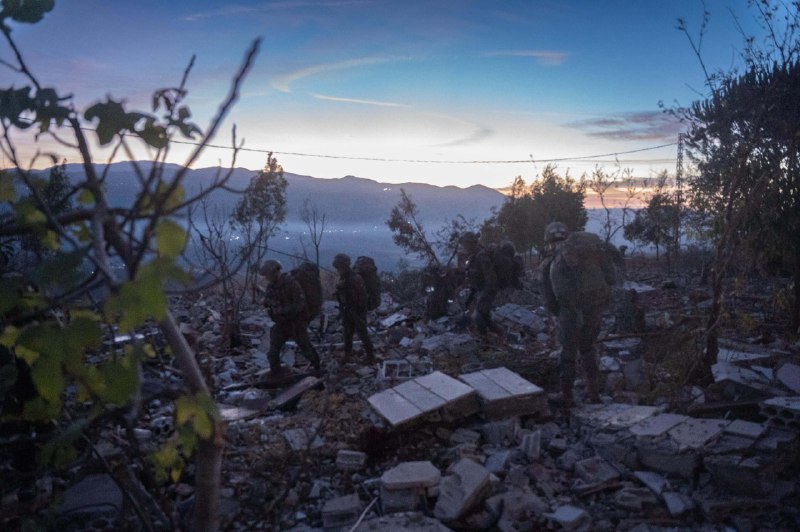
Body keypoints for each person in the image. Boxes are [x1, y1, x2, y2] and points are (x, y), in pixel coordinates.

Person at [541, 222, 618, 408]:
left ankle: (567, 396)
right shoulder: (591, 253)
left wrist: (562, 314)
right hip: (594, 308)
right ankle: (593, 392)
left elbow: (550, 301)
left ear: (548, 240)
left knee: (568, 354)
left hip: (569, 312)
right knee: (588, 348)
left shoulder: (549, 264)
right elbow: (612, 278)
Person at [260, 259, 321, 379]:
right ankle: (276, 374)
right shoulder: (270, 287)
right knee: (273, 352)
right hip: (281, 324)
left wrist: (282, 310)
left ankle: (318, 369)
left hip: (296, 323)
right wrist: (266, 304)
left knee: (306, 348)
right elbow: (268, 300)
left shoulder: (291, 284)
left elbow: (299, 304)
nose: (266, 278)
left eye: (268, 275)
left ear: (275, 272)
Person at [332, 253, 376, 363]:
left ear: (344, 266)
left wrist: (354, 308)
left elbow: (362, 297)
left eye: (339, 267)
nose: (338, 270)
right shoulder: (344, 278)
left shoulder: (355, 278)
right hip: (347, 310)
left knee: (362, 333)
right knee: (347, 333)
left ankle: (370, 355)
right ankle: (347, 355)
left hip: (357, 311)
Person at [459, 231, 501, 336]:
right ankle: (498, 336)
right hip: (480, 290)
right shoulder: (473, 257)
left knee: (479, 317)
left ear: (471, 243)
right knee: (485, 317)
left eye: (465, 244)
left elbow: (491, 279)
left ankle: (487, 339)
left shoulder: (482, 257)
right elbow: (474, 277)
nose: (464, 246)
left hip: (487, 291)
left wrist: (484, 296)